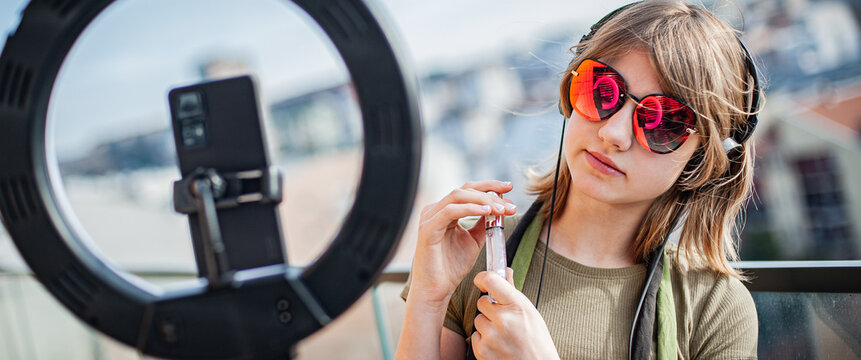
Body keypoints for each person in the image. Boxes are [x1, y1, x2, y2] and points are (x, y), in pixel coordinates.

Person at [396, 0, 761, 359]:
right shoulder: (472, 257)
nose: (614, 133)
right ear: (568, 96)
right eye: (602, 90)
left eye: (662, 122)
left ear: (701, 159)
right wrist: (427, 299)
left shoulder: (716, 309)